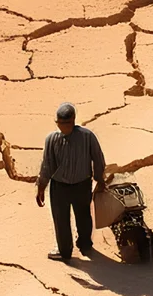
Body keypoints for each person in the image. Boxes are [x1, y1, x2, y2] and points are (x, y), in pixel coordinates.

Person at [34, 102, 106, 261]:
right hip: (60, 187)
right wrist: (41, 187)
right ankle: (67, 251)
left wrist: (100, 180)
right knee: (61, 220)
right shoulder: (52, 139)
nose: (63, 127)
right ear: (56, 123)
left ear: (73, 121)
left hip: (81, 184)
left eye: (66, 123)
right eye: (61, 124)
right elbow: (47, 165)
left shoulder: (88, 136)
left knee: (83, 216)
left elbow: (98, 160)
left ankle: (84, 243)